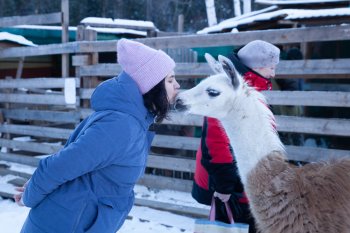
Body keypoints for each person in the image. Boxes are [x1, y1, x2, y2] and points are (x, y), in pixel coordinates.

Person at [14, 38, 180, 233]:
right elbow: (59, 166)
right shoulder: (121, 126)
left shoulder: (131, 122)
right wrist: (30, 195)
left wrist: (35, 186)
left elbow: (77, 165)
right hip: (62, 225)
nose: (177, 85)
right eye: (170, 80)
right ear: (150, 86)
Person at [192, 40, 280, 233]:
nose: (274, 74)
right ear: (256, 67)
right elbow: (215, 141)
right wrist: (224, 184)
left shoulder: (257, 88)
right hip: (233, 182)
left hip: (249, 178)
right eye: (271, 67)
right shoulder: (228, 90)